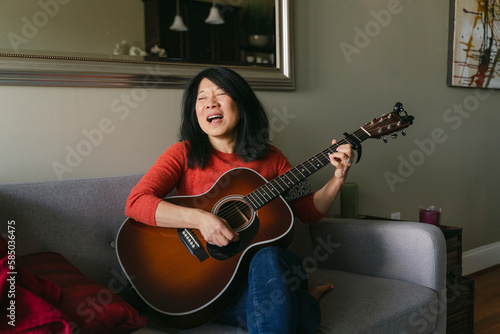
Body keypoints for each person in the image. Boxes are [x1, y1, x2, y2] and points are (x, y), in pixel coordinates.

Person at [125, 66, 353, 333]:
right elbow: (136, 202)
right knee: (302, 313)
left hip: (270, 270)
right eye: (201, 98)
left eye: (220, 94)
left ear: (242, 104)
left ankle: (291, 297)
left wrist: (337, 178)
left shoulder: (272, 158)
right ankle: (304, 299)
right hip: (215, 280)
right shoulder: (183, 153)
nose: (210, 102)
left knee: (267, 255)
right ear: (194, 111)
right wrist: (201, 218)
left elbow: (307, 211)